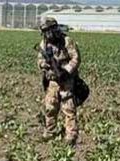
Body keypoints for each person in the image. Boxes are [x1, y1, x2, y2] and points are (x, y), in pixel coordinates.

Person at [37, 17, 81, 145]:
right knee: (50, 106)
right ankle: (50, 131)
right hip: (52, 81)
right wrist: (44, 65)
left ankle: (71, 135)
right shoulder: (44, 44)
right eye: (45, 31)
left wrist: (66, 71)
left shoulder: (67, 41)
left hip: (67, 80)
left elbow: (76, 58)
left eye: (49, 30)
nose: (48, 34)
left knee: (68, 108)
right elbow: (39, 60)